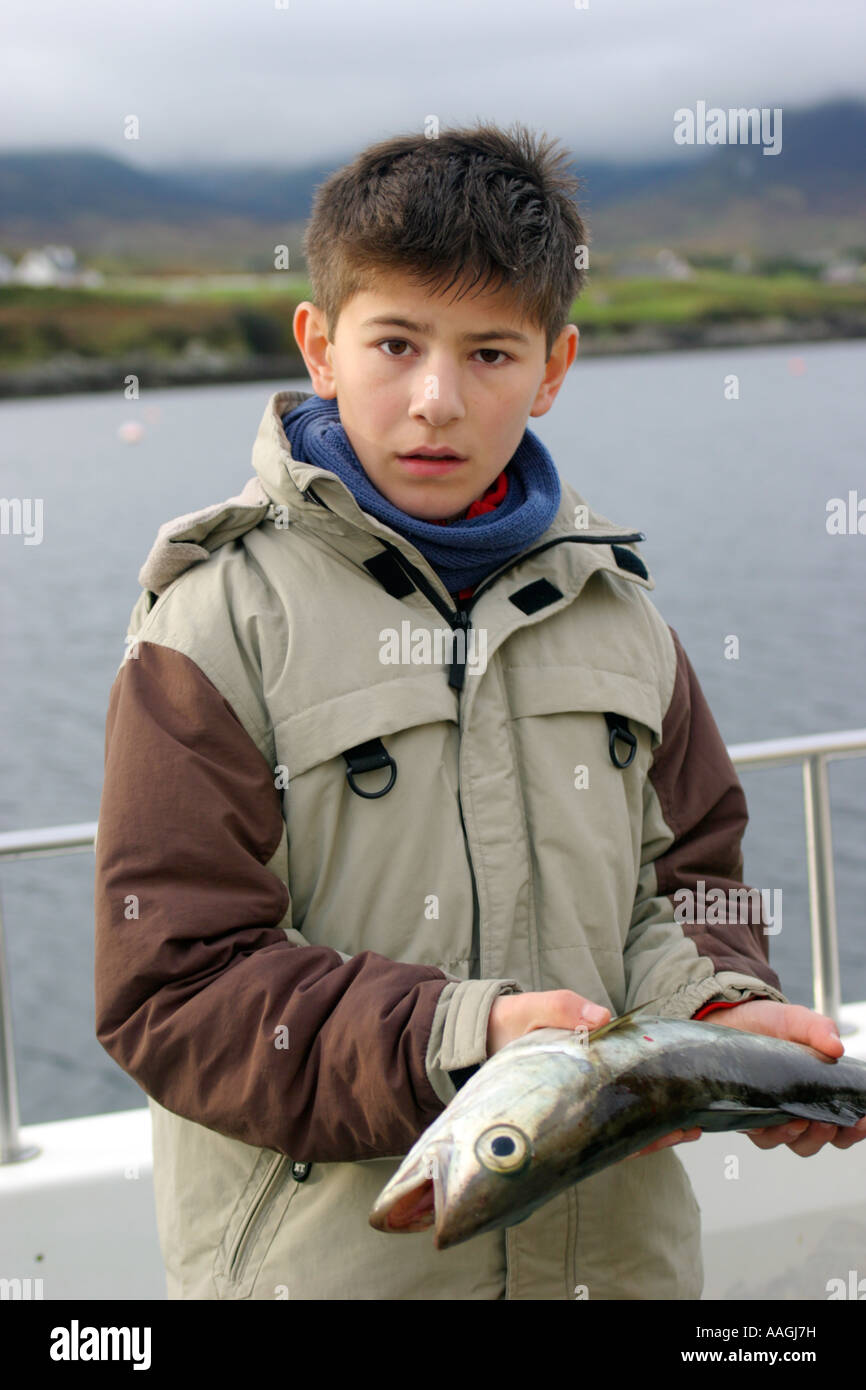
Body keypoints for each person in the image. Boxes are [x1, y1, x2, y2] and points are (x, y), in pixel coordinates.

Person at [93, 122, 866, 1301]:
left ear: (553, 367)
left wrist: (717, 1017)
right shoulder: (211, 624)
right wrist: (461, 1039)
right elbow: (174, 988)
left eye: (491, 354)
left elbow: (692, 892)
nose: (436, 400)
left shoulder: (625, 617)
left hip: (620, 1276)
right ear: (320, 345)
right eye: (394, 343)